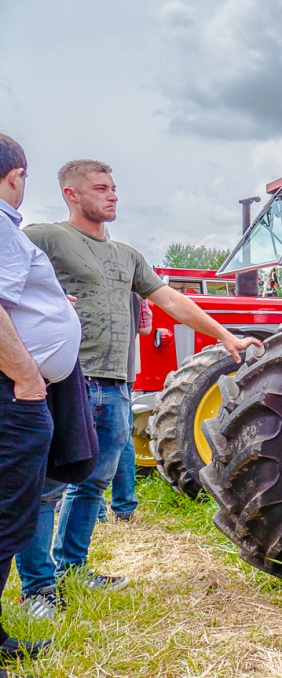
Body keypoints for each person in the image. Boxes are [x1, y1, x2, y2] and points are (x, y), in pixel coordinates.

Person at [15, 159, 261, 618]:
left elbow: (170, 299)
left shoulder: (127, 255)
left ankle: (72, 566)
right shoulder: (45, 237)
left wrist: (225, 336)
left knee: (94, 483)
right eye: (101, 188)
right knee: (46, 488)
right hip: (67, 381)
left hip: (116, 383)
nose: (112, 195)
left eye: (113, 188)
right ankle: (38, 589)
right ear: (72, 194)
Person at [0, 134, 82, 670]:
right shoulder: (3, 225)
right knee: (7, 517)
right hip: (13, 395)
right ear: (16, 175)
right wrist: (29, 379)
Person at [98, 294, 151, 523]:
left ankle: (95, 508)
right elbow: (146, 327)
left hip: (90, 362)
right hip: (124, 363)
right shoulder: (133, 273)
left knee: (87, 428)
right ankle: (124, 506)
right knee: (123, 432)